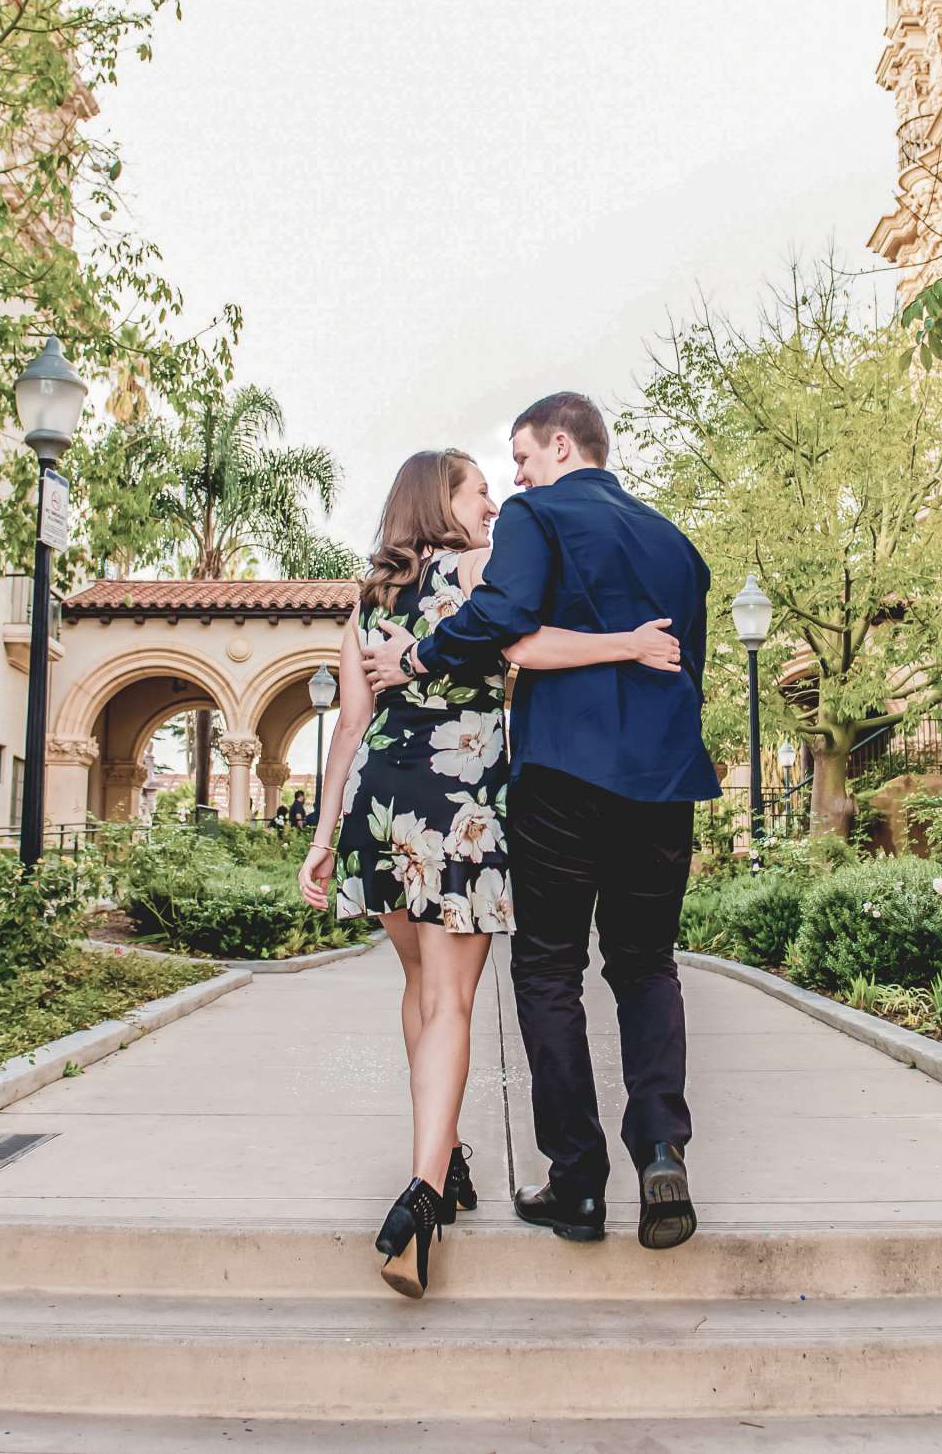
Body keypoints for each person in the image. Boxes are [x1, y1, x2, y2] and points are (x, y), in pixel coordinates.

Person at [300, 447, 680, 1297]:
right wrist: (627, 643)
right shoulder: (477, 568)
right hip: (456, 803)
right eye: (480, 492)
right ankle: (424, 1195)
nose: (494, 506)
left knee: (418, 992)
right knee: (452, 1001)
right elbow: (530, 647)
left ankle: (451, 1160)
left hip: (380, 803)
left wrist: (322, 837)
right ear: (444, 501)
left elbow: (348, 730)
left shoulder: (369, 603)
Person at [359, 393, 717, 1254]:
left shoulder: (536, 515)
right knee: (646, 966)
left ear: (562, 444)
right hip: (663, 785)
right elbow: (690, 670)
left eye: (520, 456)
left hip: (563, 776)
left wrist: (417, 655)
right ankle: (662, 1149)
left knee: (550, 973)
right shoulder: (680, 546)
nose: (513, 475)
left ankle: (578, 1184)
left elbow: (506, 619)